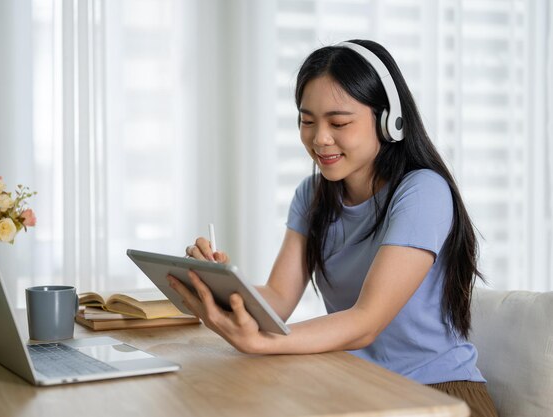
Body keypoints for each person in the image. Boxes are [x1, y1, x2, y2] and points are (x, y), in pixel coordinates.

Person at [168, 39, 498, 417]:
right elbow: (277, 297)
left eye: (339, 122)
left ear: (390, 121)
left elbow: (365, 322)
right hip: (356, 386)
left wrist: (264, 342)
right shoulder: (312, 196)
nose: (319, 138)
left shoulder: (422, 191)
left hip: (437, 395)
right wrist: (218, 285)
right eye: (307, 121)